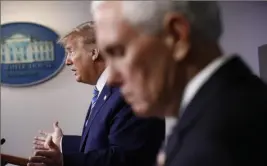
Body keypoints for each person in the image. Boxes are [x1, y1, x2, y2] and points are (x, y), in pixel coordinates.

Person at [91, 1, 267, 166]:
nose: (112, 78)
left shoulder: (216, 142)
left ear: (176, 37)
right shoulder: (231, 106)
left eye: (118, 52)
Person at [28, 21, 165, 166]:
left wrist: (65, 161)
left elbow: (126, 156)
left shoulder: (129, 92)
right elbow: (102, 143)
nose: (67, 61)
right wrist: (62, 142)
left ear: (94, 53)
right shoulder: (107, 91)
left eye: (71, 51)